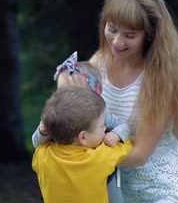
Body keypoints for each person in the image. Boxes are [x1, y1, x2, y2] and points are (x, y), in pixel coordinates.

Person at [90, 0, 178, 202]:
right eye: (112, 29)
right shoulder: (97, 64)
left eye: (130, 35)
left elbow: (139, 155)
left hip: (163, 191)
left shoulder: (161, 80)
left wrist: (81, 156)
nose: (117, 41)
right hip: (115, 190)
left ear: (149, 34)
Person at [31, 51, 129, 203]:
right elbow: (37, 143)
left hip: (99, 166)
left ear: (93, 93)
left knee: (112, 192)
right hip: (68, 167)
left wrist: (116, 134)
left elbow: (122, 125)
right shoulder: (56, 115)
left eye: (77, 93)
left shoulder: (100, 113)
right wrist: (42, 131)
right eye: (62, 91)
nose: (68, 97)